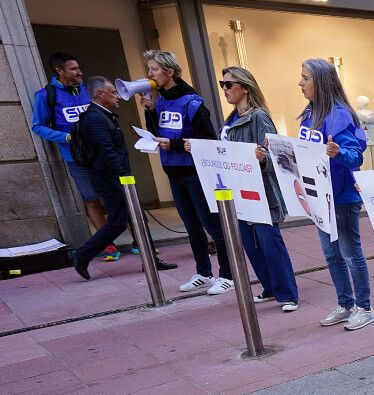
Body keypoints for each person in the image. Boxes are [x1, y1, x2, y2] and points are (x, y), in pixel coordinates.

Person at [189, 66, 299, 311]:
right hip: (238, 191)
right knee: (250, 244)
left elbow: (274, 156)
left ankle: (287, 294)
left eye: (229, 84)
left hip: (260, 191)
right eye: (222, 84)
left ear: (245, 88)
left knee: (270, 243)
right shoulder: (230, 121)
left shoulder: (259, 117)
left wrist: (262, 159)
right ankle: (269, 288)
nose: (224, 89)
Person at [138, 50, 233, 295]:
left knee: (211, 224)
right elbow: (158, 130)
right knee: (191, 225)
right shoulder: (160, 100)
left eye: (154, 69)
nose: (149, 74)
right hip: (173, 171)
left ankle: (228, 275)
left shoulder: (192, 102)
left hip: (194, 172)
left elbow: (208, 139)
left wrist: (177, 145)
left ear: (169, 73)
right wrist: (149, 111)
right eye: (149, 69)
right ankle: (204, 272)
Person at [67, 77, 176, 279]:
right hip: (111, 179)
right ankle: (81, 255)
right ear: (100, 94)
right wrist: (124, 178)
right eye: (113, 92)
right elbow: (106, 152)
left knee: (136, 218)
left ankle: (151, 260)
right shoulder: (95, 119)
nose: (118, 95)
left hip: (112, 178)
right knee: (118, 222)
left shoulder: (100, 115)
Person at [298, 59, 374, 330]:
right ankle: (345, 304)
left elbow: (355, 158)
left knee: (350, 253)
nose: (300, 83)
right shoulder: (310, 114)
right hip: (319, 197)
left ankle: (364, 307)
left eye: (305, 78)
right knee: (331, 255)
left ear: (321, 81)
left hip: (341, 197)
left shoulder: (340, 115)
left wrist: (337, 153)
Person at [32, 53, 121, 262]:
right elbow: (38, 126)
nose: (79, 72)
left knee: (121, 195)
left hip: (104, 154)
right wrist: (66, 137)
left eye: (79, 67)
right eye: (73, 69)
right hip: (77, 159)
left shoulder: (88, 90)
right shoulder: (46, 95)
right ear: (59, 71)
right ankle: (107, 246)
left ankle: (140, 241)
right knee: (91, 200)